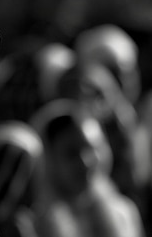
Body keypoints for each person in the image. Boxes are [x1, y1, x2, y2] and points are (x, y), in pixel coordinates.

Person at [30, 99, 145, 237]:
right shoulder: (37, 226)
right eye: (71, 153)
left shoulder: (123, 213)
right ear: (49, 161)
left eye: (91, 148)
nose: (85, 162)